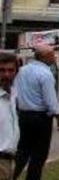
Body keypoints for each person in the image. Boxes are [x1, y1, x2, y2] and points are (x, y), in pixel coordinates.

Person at [14, 45, 59, 180]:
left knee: (22, 151)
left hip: (23, 116)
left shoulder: (22, 70)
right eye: (52, 55)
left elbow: (16, 92)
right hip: (41, 118)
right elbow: (50, 100)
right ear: (44, 57)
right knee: (39, 154)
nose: (54, 58)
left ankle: (9, 175)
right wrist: (58, 116)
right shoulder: (45, 74)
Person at [0, 52, 19, 180]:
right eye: (1, 70)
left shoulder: (12, 94)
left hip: (9, 161)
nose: (6, 75)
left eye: (11, 70)